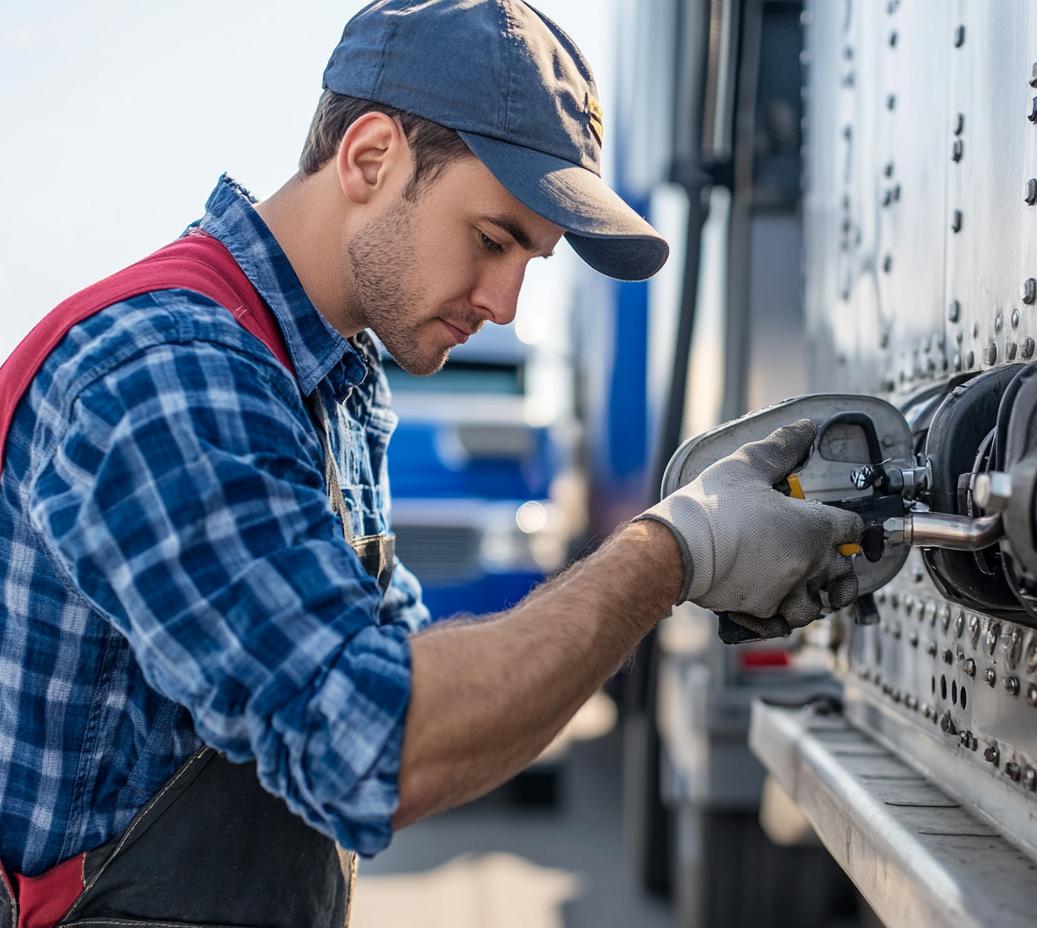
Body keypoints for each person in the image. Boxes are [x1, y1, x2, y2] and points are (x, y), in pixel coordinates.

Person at [0, 2, 862, 925]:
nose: (505, 303)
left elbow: (428, 692)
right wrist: (677, 549)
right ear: (371, 157)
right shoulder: (168, 373)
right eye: (492, 240)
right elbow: (375, 746)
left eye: (531, 260)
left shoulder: (333, 374)